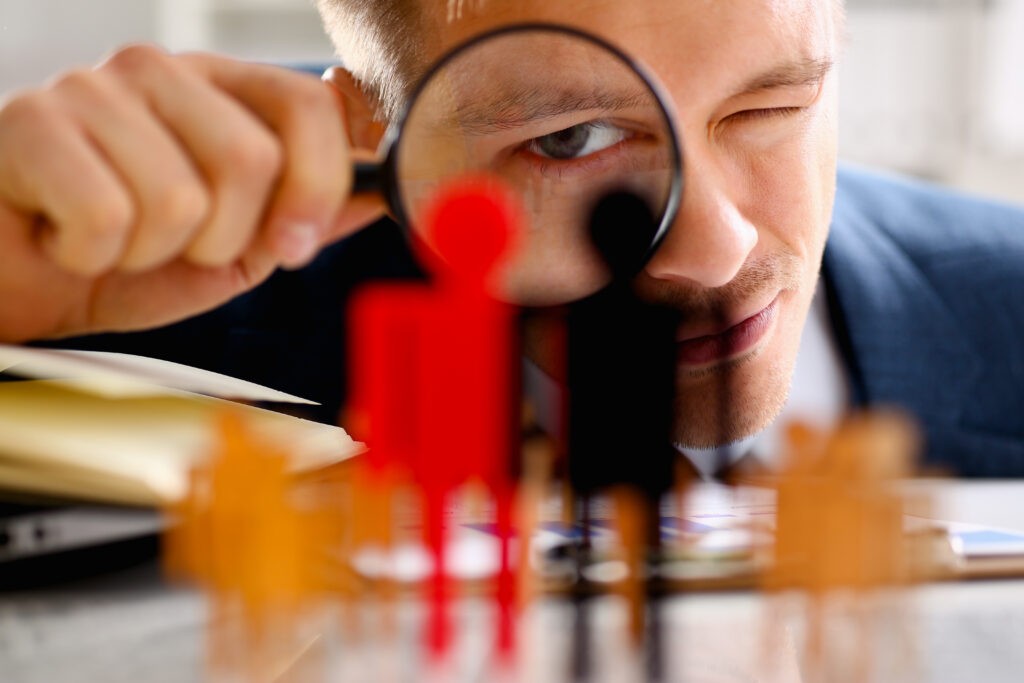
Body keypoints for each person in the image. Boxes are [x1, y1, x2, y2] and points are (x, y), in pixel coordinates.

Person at [0, 0, 1022, 476]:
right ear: (374, 137)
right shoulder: (139, 336)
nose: (712, 249)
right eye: (568, 139)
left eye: (769, 109)